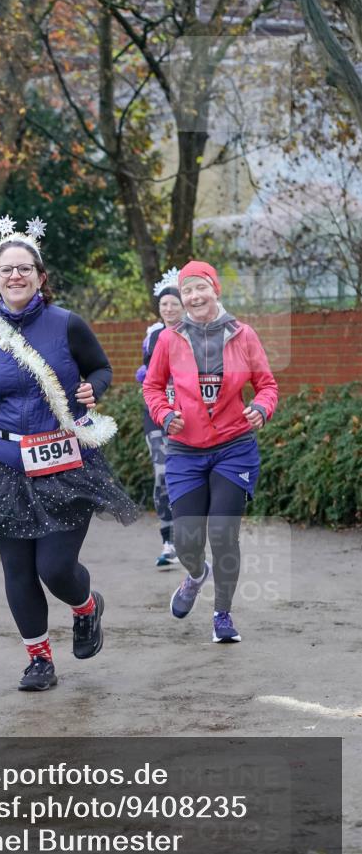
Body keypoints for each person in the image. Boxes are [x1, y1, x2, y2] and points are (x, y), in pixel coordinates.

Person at [0, 215, 136, 692]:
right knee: (18, 569)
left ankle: (87, 607)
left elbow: (101, 368)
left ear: (40, 275)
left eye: (24, 268)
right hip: (6, 465)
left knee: (54, 568)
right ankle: (39, 660)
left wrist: (93, 388)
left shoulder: (67, 324)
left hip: (64, 463)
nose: (15, 276)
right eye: (6, 270)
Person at [142, 260, 278, 644]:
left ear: (215, 289)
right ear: (181, 297)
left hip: (234, 448)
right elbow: (152, 387)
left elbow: (266, 384)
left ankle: (223, 615)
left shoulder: (243, 334)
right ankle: (196, 574)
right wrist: (165, 414)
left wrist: (262, 408)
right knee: (186, 539)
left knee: (223, 533)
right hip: (185, 451)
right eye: (187, 291)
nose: (194, 296)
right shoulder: (170, 339)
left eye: (201, 287)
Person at [135, 269, 184, 567]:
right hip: (155, 412)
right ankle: (169, 542)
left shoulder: (195, 331)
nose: (168, 308)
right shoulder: (153, 334)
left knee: (187, 476)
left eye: (173, 304)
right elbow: (146, 374)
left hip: (187, 413)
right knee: (162, 473)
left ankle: (192, 535)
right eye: (164, 304)